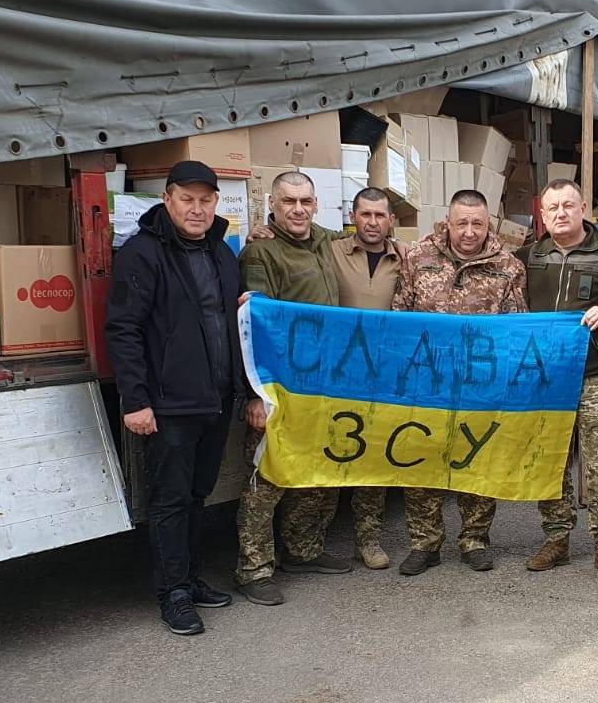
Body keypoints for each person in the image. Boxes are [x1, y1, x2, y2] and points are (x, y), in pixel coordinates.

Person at [104, 160, 243, 635]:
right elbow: (123, 330)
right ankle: (173, 594)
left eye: (206, 200)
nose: (197, 209)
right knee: (169, 499)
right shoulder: (142, 254)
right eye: (187, 199)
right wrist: (134, 400)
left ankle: (189, 577)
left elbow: (232, 320)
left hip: (216, 398)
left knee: (199, 493)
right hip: (168, 403)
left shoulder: (222, 254)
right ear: (167, 199)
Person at [391, 190, 527, 576]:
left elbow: (517, 328)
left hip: (480, 385)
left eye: (477, 224)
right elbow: (399, 315)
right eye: (461, 223)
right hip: (427, 381)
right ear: (447, 222)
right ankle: (424, 542)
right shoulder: (417, 258)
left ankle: (474, 539)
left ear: (489, 224)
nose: (469, 232)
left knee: (477, 460)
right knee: (420, 460)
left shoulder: (509, 267)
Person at [233, 170, 352, 606]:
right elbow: (255, 326)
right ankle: (254, 567)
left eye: (305, 201)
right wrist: (255, 394)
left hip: (325, 382)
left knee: (317, 470)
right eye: (288, 202)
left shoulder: (326, 238)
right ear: (273, 204)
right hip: (280, 384)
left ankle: (302, 551)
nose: (298, 210)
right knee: (267, 478)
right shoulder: (260, 252)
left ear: (317, 204)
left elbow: (372, 232)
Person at [516, 179, 598, 579]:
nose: (561, 213)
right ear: (542, 215)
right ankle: (556, 538)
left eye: (568, 205)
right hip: (545, 379)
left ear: (583, 207)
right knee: (550, 460)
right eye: (552, 208)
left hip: (593, 375)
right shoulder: (529, 256)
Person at [329, 187, 407, 570]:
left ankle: (369, 539)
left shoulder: (406, 256)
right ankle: (306, 543)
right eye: (365, 215)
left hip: (384, 374)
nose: (372, 222)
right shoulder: (329, 251)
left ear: (391, 219)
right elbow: (294, 235)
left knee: (373, 458)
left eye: (380, 215)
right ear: (352, 216)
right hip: (337, 373)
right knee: (329, 454)